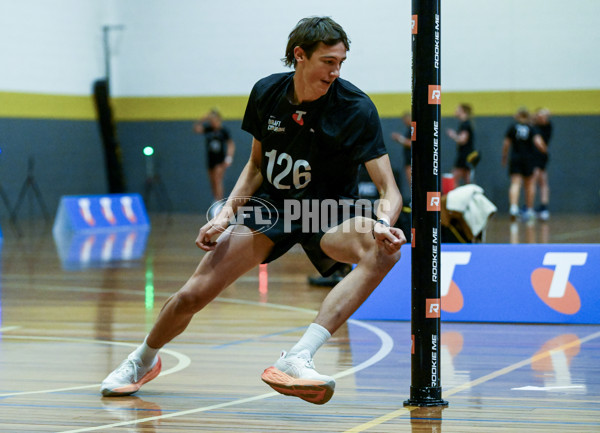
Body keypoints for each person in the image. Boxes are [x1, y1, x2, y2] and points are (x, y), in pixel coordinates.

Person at [100, 16, 405, 405]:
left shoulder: (356, 108)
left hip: (328, 212)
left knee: (384, 251)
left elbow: (388, 189)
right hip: (273, 209)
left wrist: (382, 223)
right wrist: (226, 214)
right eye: (328, 61)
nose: (336, 70)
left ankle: (299, 357)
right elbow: (257, 166)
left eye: (341, 62)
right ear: (300, 55)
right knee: (193, 294)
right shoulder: (266, 93)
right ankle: (142, 360)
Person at [502, 107, 547, 221]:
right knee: (530, 184)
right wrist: (544, 151)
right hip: (528, 159)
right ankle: (529, 209)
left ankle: (513, 208)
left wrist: (504, 157)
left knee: (515, 183)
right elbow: (539, 144)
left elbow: (506, 144)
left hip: (515, 158)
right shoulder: (531, 128)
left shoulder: (512, 127)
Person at [193, 109, 235, 211]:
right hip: (210, 159)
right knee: (212, 181)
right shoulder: (208, 129)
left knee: (218, 179)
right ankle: (216, 199)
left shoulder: (224, 131)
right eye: (211, 120)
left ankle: (220, 202)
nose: (213, 122)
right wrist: (203, 118)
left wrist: (229, 158)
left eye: (215, 120)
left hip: (220, 160)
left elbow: (231, 144)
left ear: (219, 120)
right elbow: (196, 129)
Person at [446, 103, 475, 186]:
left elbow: (463, 140)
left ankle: (454, 198)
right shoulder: (466, 124)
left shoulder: (465, 124)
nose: (455, 111)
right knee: (467, 180)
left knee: (454, 179)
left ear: (463, 111)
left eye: (458, 110)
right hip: (467, 155)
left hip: (465, 155)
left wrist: (453, 135)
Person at [532, 108, 553, 220]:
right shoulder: (534, 126)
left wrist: (541, 113)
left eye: (542, 116)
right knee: (538, 181)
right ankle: (536, 206)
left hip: (540, 156)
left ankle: (542, 207)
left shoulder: (547, 126)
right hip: (535, 156)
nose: (541, 117)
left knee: (539, 181)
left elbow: (539, 143)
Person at [390, 112, 412, 189]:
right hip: (408, 160)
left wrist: (399, 138)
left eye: (405, 120)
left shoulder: (413, 129)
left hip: (411, 161)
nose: (404, 122)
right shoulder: (409, 129)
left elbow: (412, 143)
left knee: (412, 182)